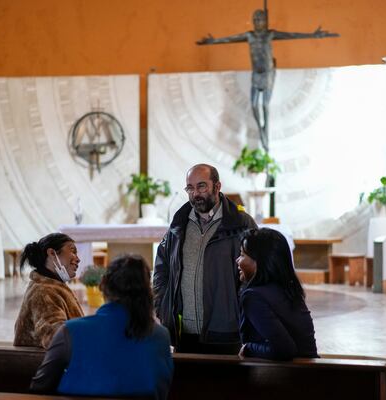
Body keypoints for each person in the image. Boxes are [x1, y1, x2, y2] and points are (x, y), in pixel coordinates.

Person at [30, 255, 174, 400]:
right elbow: (162, 389)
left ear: (102, 285)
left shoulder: (71, 332)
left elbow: (40, 387)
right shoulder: (160, 335)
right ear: (147, 293)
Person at [197, 9, 338, 152]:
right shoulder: (249, 36)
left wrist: (314, 35)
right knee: (253, 106)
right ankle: (262, 130)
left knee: (264, 106)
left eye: (260, 20)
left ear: (265, 22)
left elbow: (292, 36)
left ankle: (265, 136)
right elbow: (230, 39)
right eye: (255, 20)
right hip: (256, 74)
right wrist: (214, 41)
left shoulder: (270, 34)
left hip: (268, 74)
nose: (258, 23)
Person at [153, 163, 257, 354]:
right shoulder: (179, 225)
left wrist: (238, 312)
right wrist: (163, 306)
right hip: (184, 333)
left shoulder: (241, 224)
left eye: (201, 186)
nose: (195, 194)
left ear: (217, 187)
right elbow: (162, 268)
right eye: (190, 188)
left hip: (225, 331)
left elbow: (256, 273)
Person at [236, 228, 318, 360]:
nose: (237, 261)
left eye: (242, 255)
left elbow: (284, 350)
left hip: (290, 375)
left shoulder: (254, 297)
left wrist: (248, 348)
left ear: (260, 261)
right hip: (311, 370)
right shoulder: (288, 288)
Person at [14, 233, 84, 349]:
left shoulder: (50, 286)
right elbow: (55, 337)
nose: (78, 259)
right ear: (52, 253)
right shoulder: (43, 292)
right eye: (72, 251)